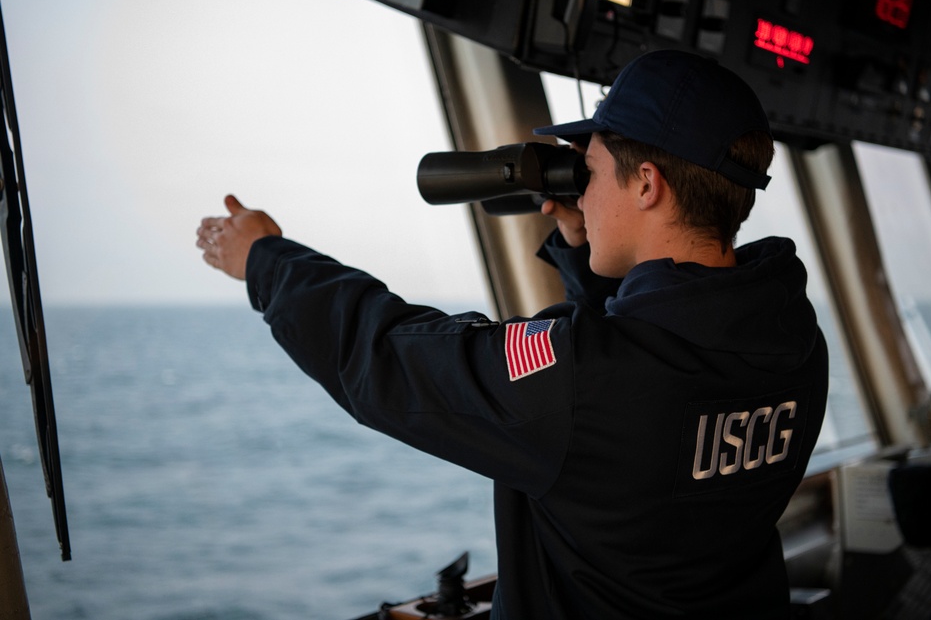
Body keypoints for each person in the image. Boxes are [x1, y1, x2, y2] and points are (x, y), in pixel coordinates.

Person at [197, 49, 828, 620]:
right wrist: (589, 255)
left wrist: (265, 259)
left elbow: (388, 358)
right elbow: (648, 380)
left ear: (645, 185)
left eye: (595, 168)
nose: (584, 187)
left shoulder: (588, 379)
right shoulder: (796, 345)